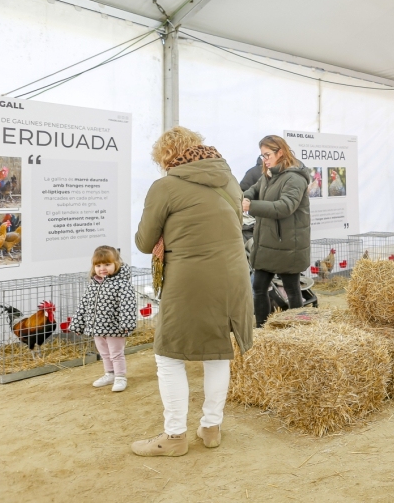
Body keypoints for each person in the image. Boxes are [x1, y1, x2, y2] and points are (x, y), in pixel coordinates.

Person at [133, 126, 253, 457]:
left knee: (168, 355)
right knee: (218, 352)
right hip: (234, 276)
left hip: (190, 281)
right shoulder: (228, 178)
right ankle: (211, 428)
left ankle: (174, 437)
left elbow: (144, 242)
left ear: (166, 156)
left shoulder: (165, 186)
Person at [243, 135, 311, 327]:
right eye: (262, 156)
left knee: (292, 289)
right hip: (267, 242)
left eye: (267, 155)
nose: (264, 159)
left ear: (280, 152)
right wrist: (244, 198)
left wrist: (250, 207)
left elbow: (285, 207)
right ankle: (262, 328)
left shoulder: (294, 178)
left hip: (288, 244)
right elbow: (253, 190)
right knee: (258, 287)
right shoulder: (269, 174)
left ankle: (298, 330)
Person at [68, 245, 137, 393]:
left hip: (115, 328)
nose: (102, 268)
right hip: (97, 328)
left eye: (107, 264)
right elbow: (83, 305)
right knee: (104, 353)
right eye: (98, 265)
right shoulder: (93, 285)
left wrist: (126, 323)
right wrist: (78, 324)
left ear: (116, 264)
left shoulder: (122, 284)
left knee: (116, 353)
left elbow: (128, 305)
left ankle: (120, 376)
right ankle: (109, 374)